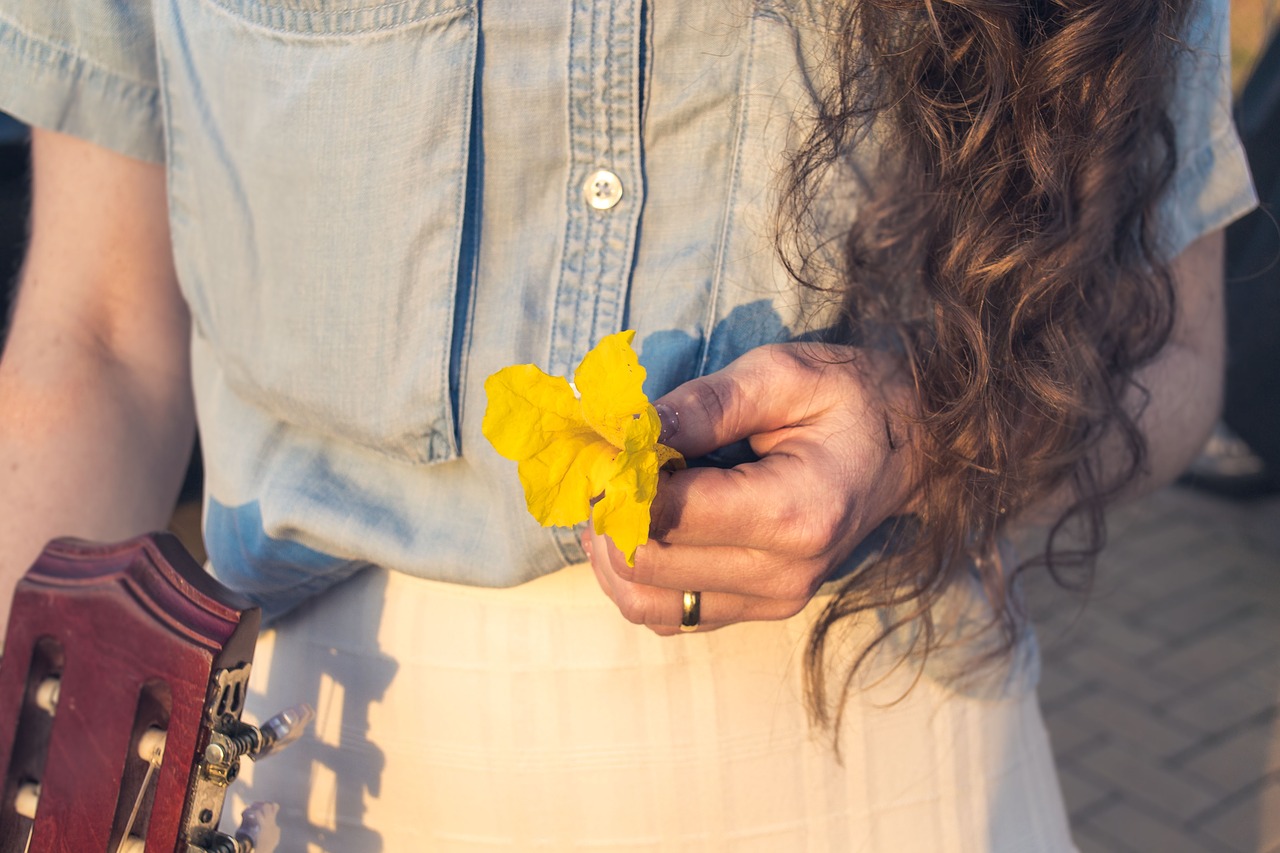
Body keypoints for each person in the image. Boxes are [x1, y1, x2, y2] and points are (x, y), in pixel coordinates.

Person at [0, 0, 1256, 850]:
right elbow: (101, 338)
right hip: (318, 763)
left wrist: (924, 432)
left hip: (878, 746)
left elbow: (1169, 340)